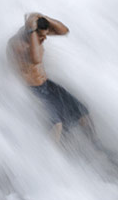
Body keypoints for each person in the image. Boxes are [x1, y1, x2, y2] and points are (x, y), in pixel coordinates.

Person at [7, 13, 96, 143]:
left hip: (47, 86)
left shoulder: (36, 36)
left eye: (45, 36)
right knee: (56, 124)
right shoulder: (17, 44)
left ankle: (96, 146)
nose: (44, 39)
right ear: (30, 33)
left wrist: (44, 18)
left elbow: (64, 31)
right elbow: (35, 59)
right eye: (41, 37)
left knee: (82, 112)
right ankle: (50, 158)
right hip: (33, 91)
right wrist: (32, 30)